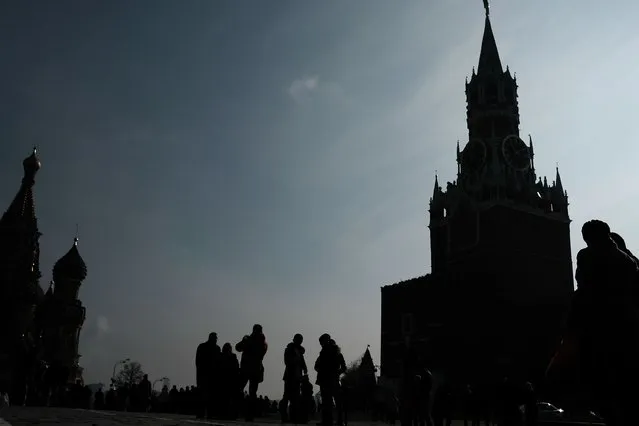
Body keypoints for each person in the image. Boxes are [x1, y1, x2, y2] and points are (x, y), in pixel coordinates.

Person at [547, 220, 639, 425]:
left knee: (602, 386)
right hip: (628, 329)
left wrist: (569, 328)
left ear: (589, 237)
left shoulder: (587, 255)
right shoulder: (629, 261)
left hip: (598, 330)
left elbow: (583, 291)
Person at [236, 324, 268, 421]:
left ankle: (237, 411)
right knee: (252, 393)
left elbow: (238, 348)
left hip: (246, 368)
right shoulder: (263, 343)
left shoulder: (249, 340)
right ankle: (249, 415)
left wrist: (244, 340)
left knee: (239, 389)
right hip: (256, 369)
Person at [280, 333, 308, 423]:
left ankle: (293, 417)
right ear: (295, 340)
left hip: (297, 377)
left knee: (295, 398)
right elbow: (287, 362)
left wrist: (304, 368)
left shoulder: (299, 350)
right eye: (299, 340)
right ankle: (284, 417)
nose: (300, 342)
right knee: (287, 397)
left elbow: (302, 362)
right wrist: (296, 360)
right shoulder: (289, 349)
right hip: (290, 376)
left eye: (301, 340)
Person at [195, 332, 221, 419]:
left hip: (209, 375)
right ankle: (205, 413)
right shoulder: (207, 347)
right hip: (206, 375)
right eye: (215, 338)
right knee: (205, 395)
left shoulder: (204, 347)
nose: (216, 339)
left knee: (209, 395)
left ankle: (205, 413)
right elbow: (198, 361)